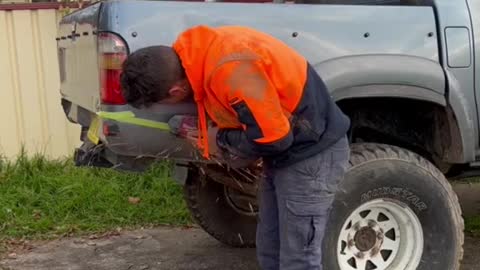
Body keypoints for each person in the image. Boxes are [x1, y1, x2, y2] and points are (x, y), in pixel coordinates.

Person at [120, 25, 351, 270]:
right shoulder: (196, 55)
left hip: (312, 156)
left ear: (176, 90)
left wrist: (220, 140)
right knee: (270, 250)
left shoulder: (230, 70)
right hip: (286, 155)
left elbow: (274, 139)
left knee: (298, 259)